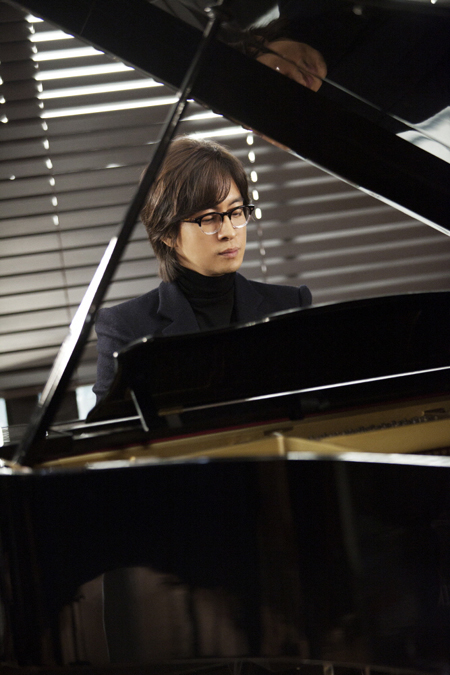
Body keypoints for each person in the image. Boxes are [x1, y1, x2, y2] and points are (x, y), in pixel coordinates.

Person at [93, 137, 312, 402]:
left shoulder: (290, 305)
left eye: (236, 212)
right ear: (167, 233)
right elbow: (112, 425)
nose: (229, 232)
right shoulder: (124, 328)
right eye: (209, 218)